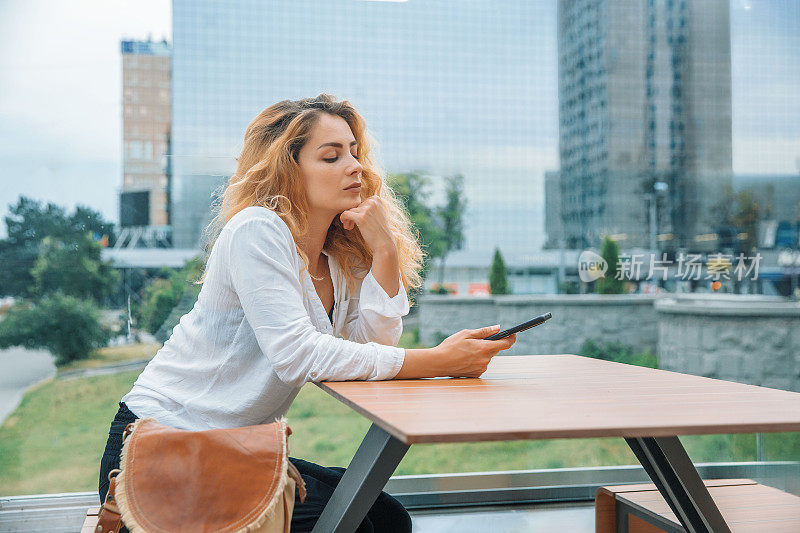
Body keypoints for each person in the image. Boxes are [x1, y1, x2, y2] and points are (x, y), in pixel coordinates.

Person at [98, 93, 517, 532]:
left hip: (230, 444)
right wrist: (436, 361)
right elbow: (298, 354)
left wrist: (384, 250)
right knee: (363, 526)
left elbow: (369, 351)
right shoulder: (256, 230)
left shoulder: (336, 256)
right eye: (332, 156)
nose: (356, 166)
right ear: (288, 168)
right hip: (158, 447)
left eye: (355, 152)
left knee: (387, 516)